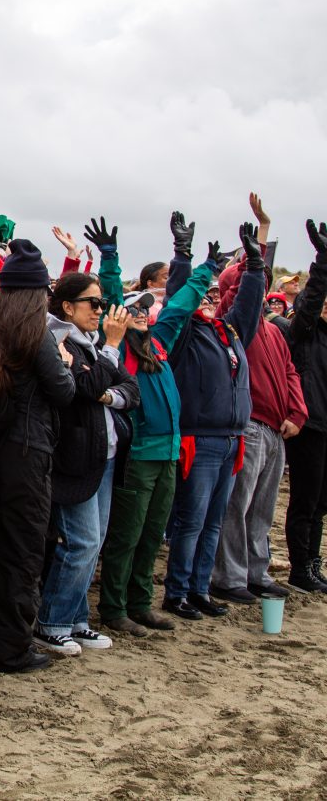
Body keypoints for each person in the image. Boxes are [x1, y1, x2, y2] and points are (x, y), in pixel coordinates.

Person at [91, 216, 222, 635]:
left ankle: (140, 603)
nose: (143, 313)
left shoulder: (160, 342)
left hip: (167, 454)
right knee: (126, 535)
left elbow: (182, 303)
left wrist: (206, 269)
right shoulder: (122, 349)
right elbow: (112, 296)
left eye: (146, 308)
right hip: (138, 455)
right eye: (135, 310)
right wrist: (109, 258)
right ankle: (114, 609)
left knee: (151, 536)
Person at [0, 239, 75, 673]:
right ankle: (9, 648)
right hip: (28, 450)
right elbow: (63, 392)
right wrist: (65, 362)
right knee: (24, 549)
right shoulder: (36, 332)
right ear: (36, 293)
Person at [161, 218, 265, 620]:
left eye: (211, 295)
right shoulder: (186, 332)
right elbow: (178, 300)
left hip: (232, 439)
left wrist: (255, 269)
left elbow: (248, 306)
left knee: (214, 522)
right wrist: (183, 257)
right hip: (200, 439)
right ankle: (177, 592)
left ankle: (200, 589)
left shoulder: (230, 331)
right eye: (202, 295)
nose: (205, 299)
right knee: (192, 520)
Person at [34, 270, 139, 657]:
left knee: (93, 545)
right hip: (74, 458)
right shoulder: (59, 340)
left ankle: (76, 620)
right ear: (67, 306)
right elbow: (84, 388)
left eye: (101, 303)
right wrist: (111, 349)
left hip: (105, 456)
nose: (100, 310)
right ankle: (52, 622)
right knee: (80, 542)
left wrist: (107, 394)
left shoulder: (93, 345)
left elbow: (130, 390)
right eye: (93, 303)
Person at [211, 206, 306, 604]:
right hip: (247, 423)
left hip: (275, 427)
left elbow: (290, 373)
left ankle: (256, 570)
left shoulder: (273, 331)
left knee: (262, 508)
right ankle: (230, 576)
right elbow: (245, 292)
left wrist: (296, 413)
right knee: (237, 504)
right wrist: (259, 244)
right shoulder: (232, 322)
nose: (259, 286)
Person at [285, 221, 327, 593]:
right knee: (306, 500)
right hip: (308, 427)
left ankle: (314, 564)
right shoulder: (304, 332)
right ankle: (300, 568)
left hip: (326, 428)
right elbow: (310, 305)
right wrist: (322, 264)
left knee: (322, 504)